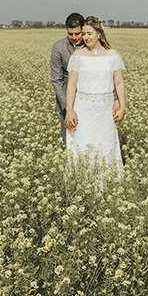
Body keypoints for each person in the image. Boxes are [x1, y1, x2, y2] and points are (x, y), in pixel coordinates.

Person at [64, 16, 125, 181]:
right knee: (83, 144)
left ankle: (108, 185)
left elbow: (118, 83)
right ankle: (83, 184)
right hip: (83, 108)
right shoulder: (77, 56)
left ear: (99, 34)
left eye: (89, 33)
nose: (85, 37)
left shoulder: (112, 55)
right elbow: (71, 86)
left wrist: (122, 106)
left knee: (105, 145)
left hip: (105, 110)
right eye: (83, 34)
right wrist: (69, 110)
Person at [50, 12, 86, 142]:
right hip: (67, 101)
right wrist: (68, 107)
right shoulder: (58, 48)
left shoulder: (92, 45)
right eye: (70, 34)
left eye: (77, 33)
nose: (74, 37)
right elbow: (57, 80)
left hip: (90, 100)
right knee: (70, 141)